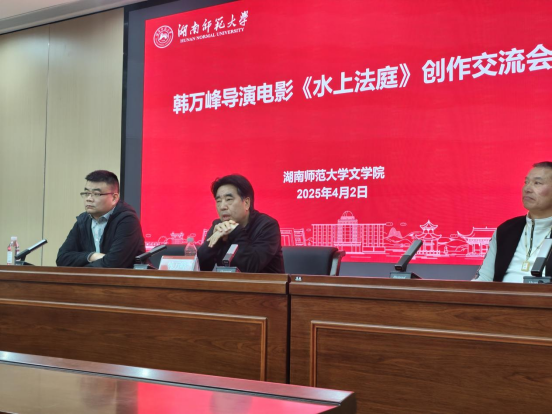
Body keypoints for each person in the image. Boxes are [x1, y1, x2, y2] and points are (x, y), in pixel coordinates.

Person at [474, 161, 552, 282]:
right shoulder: (506, 230)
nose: (527, 189)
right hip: (503, 294)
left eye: (537, 183)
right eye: (526, 182)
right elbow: (484, 278)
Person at [57, 170, 145, 268]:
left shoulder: (127, 220)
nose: (89, 199)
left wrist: (81, 267)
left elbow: (114, 263)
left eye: (96, 194)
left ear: (114, 198)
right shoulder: (83, 220)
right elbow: (62, 258)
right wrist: (92, 256)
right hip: (94, 277)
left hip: (125, 278)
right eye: (86, 193)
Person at [197, 174, 285, 273]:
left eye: (229, 200)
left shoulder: (267, 226)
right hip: (228, 282)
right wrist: (216, 243)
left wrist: (236, 231)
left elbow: (251, 267)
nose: (222, 207)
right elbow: (199, 266)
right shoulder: (219, 226)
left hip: (263, 283)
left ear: (246, 203)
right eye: (218, 201)